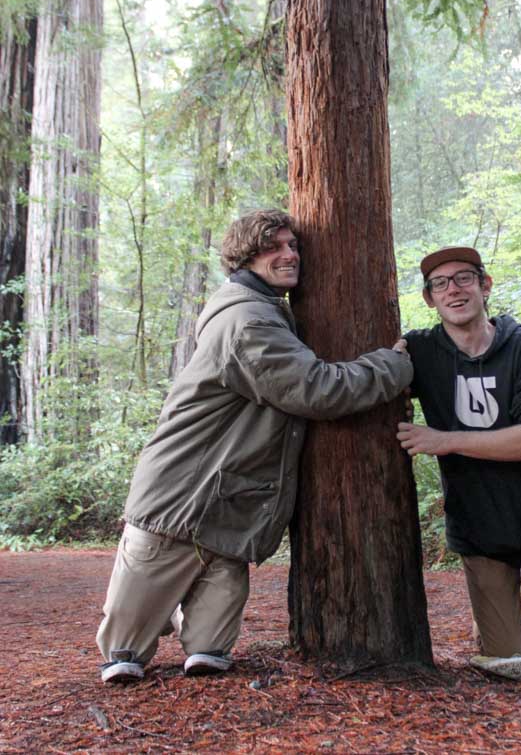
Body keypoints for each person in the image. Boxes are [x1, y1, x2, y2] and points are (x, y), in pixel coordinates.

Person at [97, 209, 412, 684]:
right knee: (124, 656)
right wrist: (396, 365)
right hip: (176, 503)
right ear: (245, 257)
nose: (289, 255)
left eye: (292, 246)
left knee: (210, 655)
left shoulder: (266, 311)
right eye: (273, 247)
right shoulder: (248, 321)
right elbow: (316, 389)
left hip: (228, 510)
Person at [396, 246, 521, 682]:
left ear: (485, 285)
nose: (453, 290)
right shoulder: (421, 353)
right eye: (440, 284)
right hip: (480, 530)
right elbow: (374, 373)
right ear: (430, 299)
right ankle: (512, 605)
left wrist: (443, 440)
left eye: (464, 278)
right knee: (510, 662)